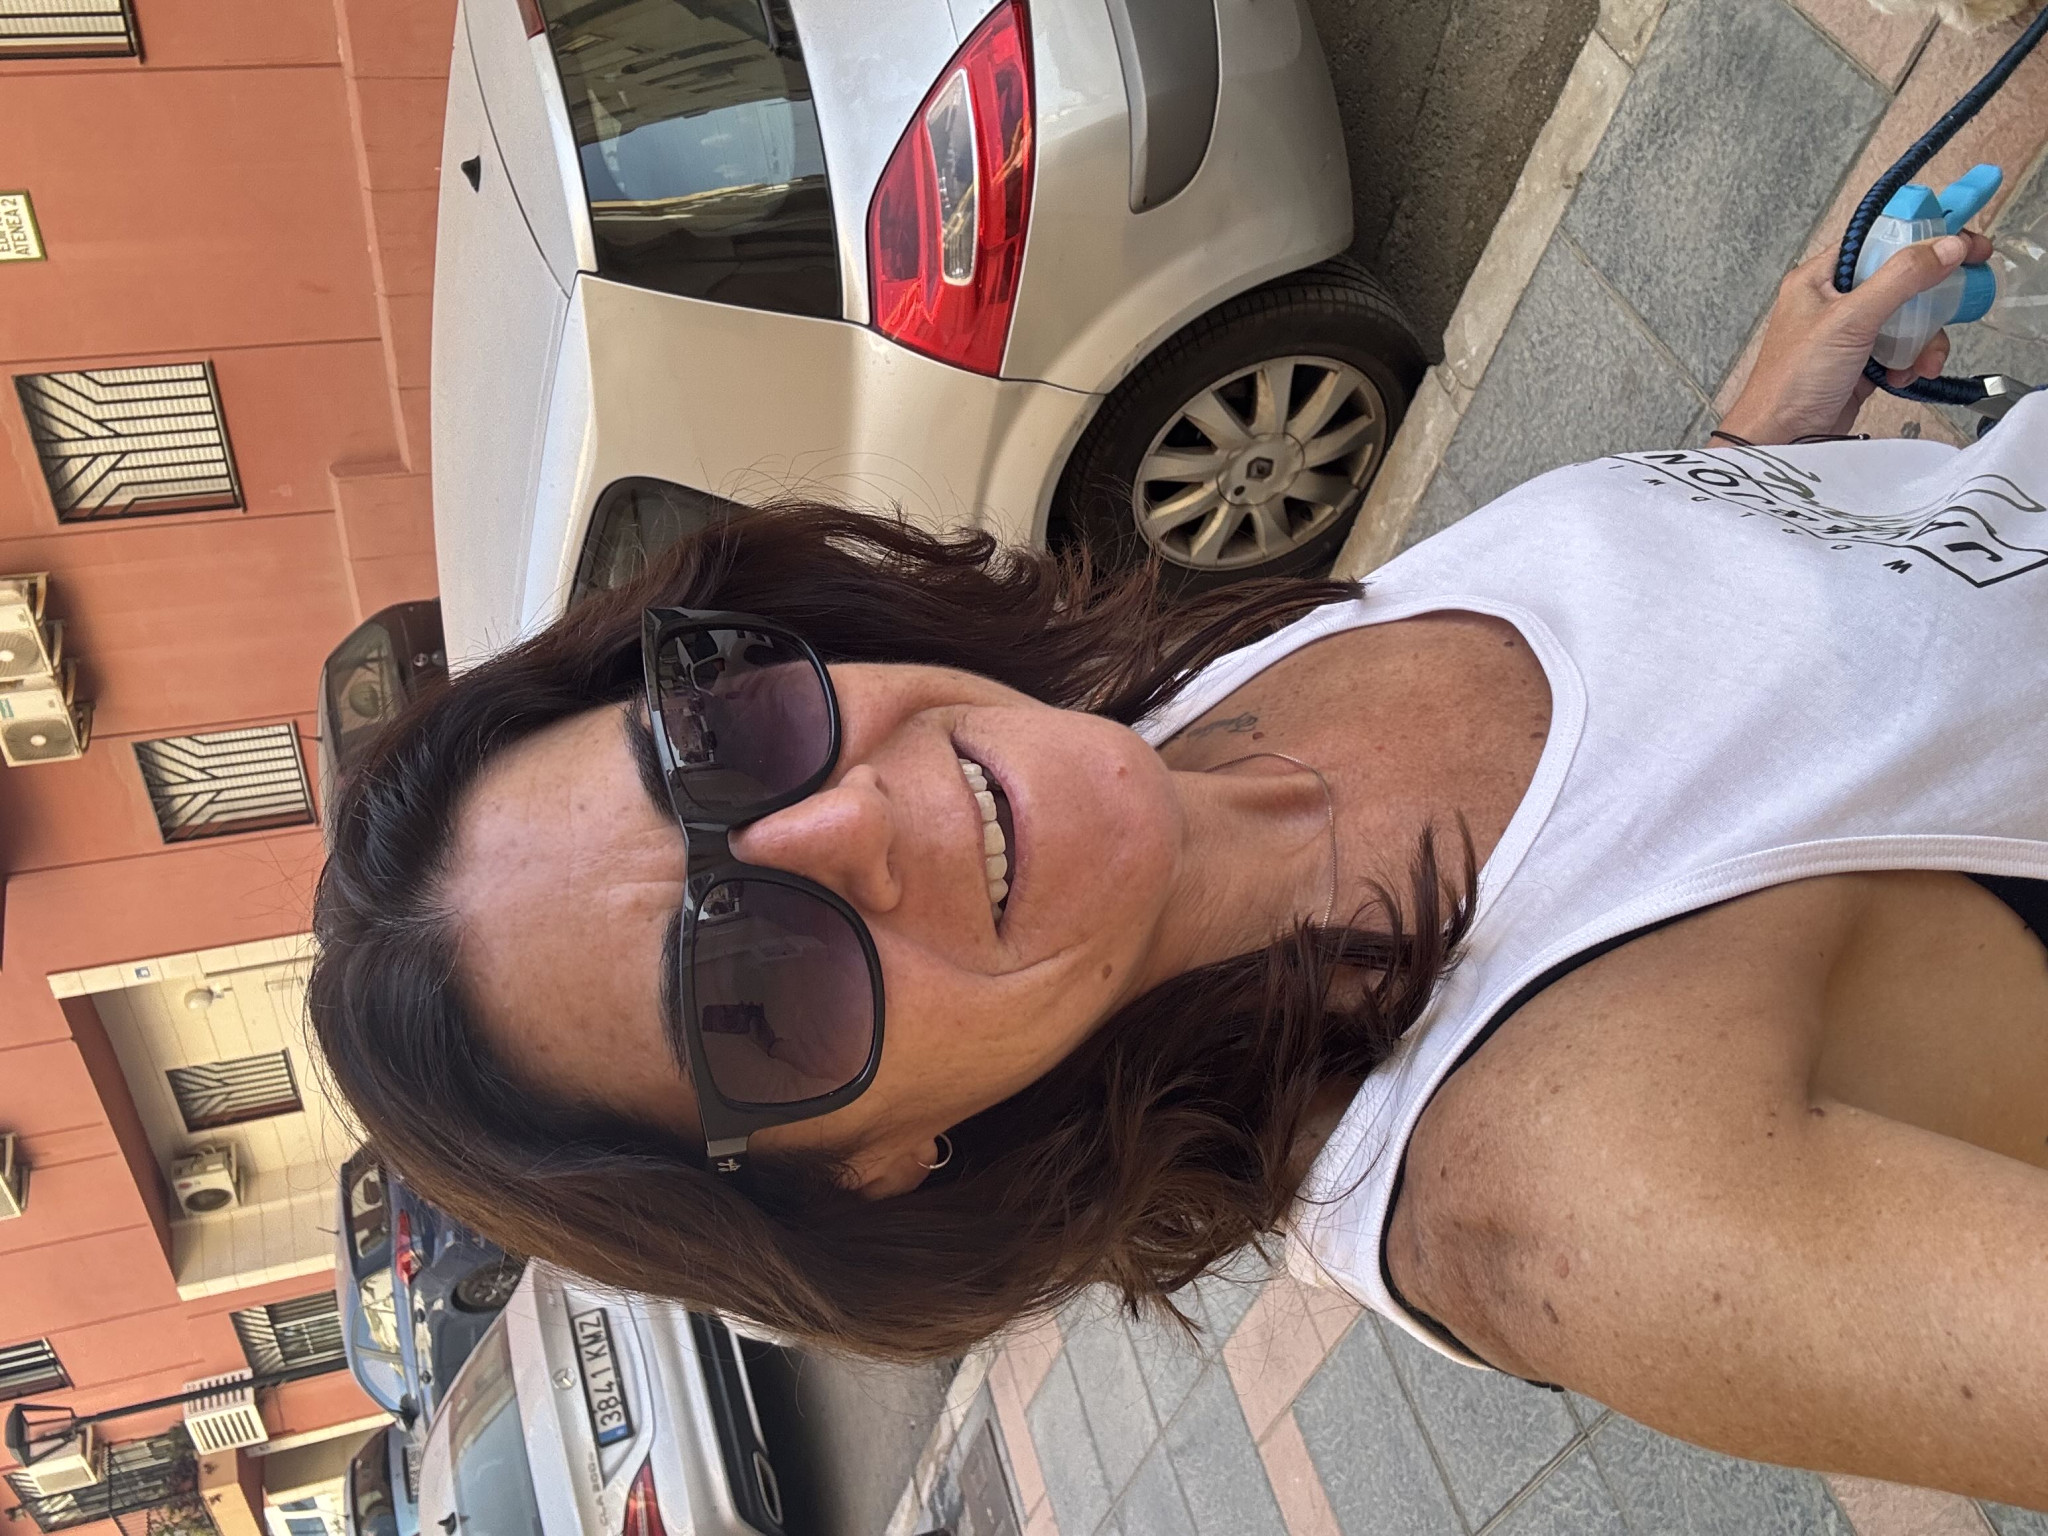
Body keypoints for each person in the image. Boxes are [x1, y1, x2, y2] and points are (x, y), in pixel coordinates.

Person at [309, 230, 2048, 1507]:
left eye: (714, 738)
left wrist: (1740, 458)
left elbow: (1697, 723)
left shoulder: (1173, 709)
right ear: (868, 1170)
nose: (851, 822)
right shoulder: (1551, 1197)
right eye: (745, 988)